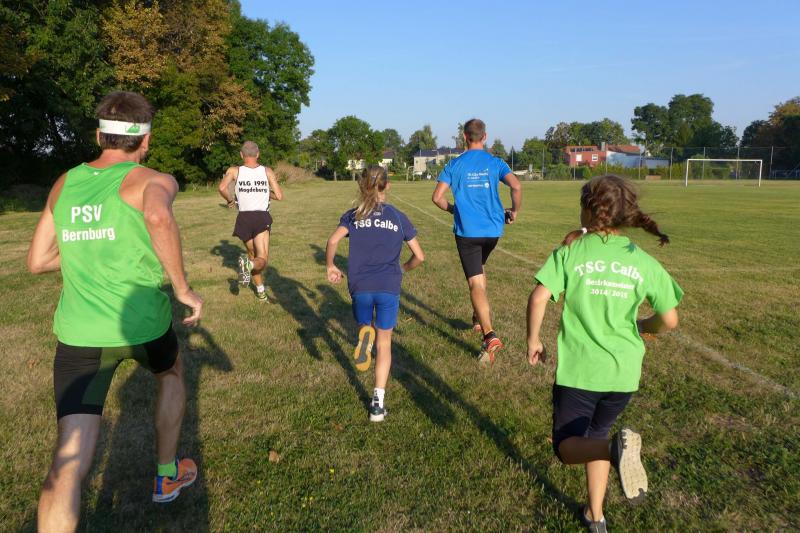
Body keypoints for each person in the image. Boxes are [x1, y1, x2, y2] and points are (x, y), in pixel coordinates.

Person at [27, 91, 203, 532]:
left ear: (99, 136)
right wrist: (183, 288)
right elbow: (158, 218)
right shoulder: (155, 180)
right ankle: (166, 475)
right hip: (143, 324)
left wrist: (88, 247)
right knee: (172, 372)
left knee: (69, 458)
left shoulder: (65, 183)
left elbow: (38, 260)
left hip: (80, 335)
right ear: (146, 140)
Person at [526, 175, 683, 532]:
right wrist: (643, 326)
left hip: (581, 372)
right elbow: (670, 320)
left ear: (587, 209)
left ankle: (615, 451)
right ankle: (595, 516)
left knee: (567, 448)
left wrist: (533, 340)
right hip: (623, 375)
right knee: (596, 436)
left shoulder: (570, 252)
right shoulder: (640, 260)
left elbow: (538, 298)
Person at [326, 165, 424, 421]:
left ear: (362, 186)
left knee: (365, 327)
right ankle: (377, 404)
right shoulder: (398, 217)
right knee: (385, 343)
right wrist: (402, 269)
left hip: (360, 286)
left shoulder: (354, 215)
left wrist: (330, 265)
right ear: (387, 185)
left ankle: (364, 338)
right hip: (388, 285)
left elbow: (333, 240)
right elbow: (419, 256)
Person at [431, 118, 522, 364]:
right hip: (493, 231)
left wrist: (452, 209)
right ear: (485, 136)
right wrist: (514, 211)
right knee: (480, 271)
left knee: (475, 283)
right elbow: (516, 186)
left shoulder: (454, 164)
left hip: (468, 232)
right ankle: (477, 317)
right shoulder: (496, 162)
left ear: (464, 137)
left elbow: (437, 197)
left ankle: (489, 335)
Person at [218, 141, 283, 301]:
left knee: (252, 255)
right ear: (258, 154)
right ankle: (248, 265)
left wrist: (230, 200)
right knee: (262, 259)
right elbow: (279, 196)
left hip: (243, 218)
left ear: (242, 155)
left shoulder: (234, 171)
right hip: (261, 218)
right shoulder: (267, 171)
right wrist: (265, 191)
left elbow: (222, 188)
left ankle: (260, 292)